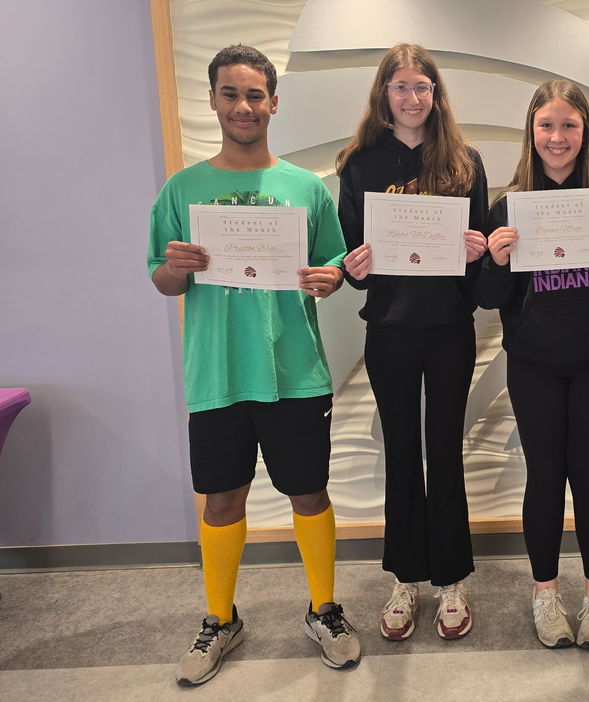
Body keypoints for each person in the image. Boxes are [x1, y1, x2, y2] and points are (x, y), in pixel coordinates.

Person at [147, 45, 360, 686]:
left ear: (273, 102)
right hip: (218, 373)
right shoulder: (182, 190)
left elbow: (334, 270)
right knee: (221, 498)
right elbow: (162, 282)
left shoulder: (304, 188)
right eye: (231, 94)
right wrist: (174, 269)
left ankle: (324, 609)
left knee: (309, 491)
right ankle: (220, 618)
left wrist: (329, 282)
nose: (244, 106)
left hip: (296, 371)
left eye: (255, 95)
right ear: (213, 99)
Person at [478, 80, 589, 651]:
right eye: (547, 126)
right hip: (533, 362)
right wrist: (500, 259)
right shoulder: (507, 204)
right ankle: (546, 593)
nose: (558, 138)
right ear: (531, 132)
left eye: (569, 126)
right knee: (544, 479)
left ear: (586, 131)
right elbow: (486, 295)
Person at [335, 44, 488, 641]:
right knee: (401, 453)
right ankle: (404, 578)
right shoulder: (360, 162)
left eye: (421, 86)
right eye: (400, 87)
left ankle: (451, 580)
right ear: (384, 95)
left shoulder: (465, 161)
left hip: (450, 327)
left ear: (435, 94)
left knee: (445, 452)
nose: (411, 97)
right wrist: (358, 264)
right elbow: (350, 258)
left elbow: (481, 263)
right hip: (391, 330)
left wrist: (477, 254)